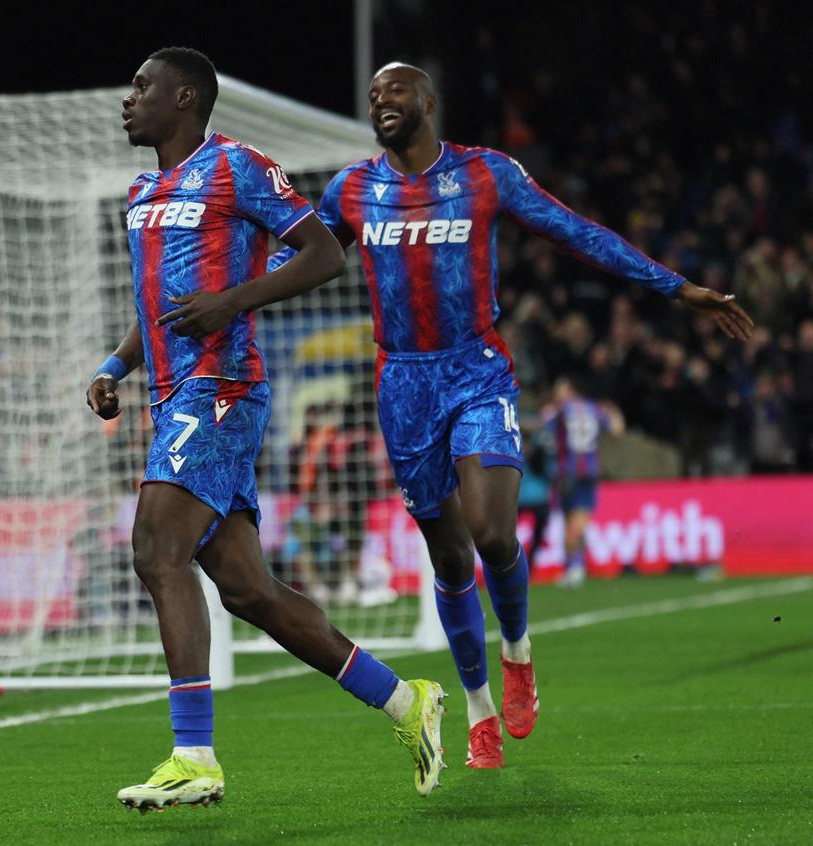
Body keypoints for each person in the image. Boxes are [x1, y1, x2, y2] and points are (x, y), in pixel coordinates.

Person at [269, 63, 754, 769]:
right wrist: (231, 285)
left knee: (493, 533)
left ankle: (518, 653)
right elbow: (305, 258)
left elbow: (575, 232)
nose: (382, 102)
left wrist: (675, 289)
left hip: (476, 369)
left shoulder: (485, 174)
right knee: (448, 556)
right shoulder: (353, 189)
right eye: (373, 96)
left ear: (429, 100)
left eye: (396, 90)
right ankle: (478, 709)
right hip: (402, 385)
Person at [87, 48, 446, 811]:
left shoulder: (238, 167)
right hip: (172, 393)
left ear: (184, 98)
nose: (129, 99)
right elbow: (156, 301)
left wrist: (234, 302)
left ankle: (194, 756)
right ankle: (405, 702)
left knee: (156, 548)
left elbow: (323, 256)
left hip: (222, 389)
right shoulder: (143, 189)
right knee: (249, 591)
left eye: (142, 87)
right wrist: (115, 366)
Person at [538, 375, 624, 587]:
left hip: (567, 470)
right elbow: (616, 430)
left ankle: (574, 567)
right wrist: (614, 411)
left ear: (570, 390)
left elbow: (543, 425)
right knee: (580, 519)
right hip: (590, 470)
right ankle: (576, 567)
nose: (557, 393)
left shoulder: (560, 410)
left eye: (560, 389)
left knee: (571, 521)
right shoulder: (595, 409)